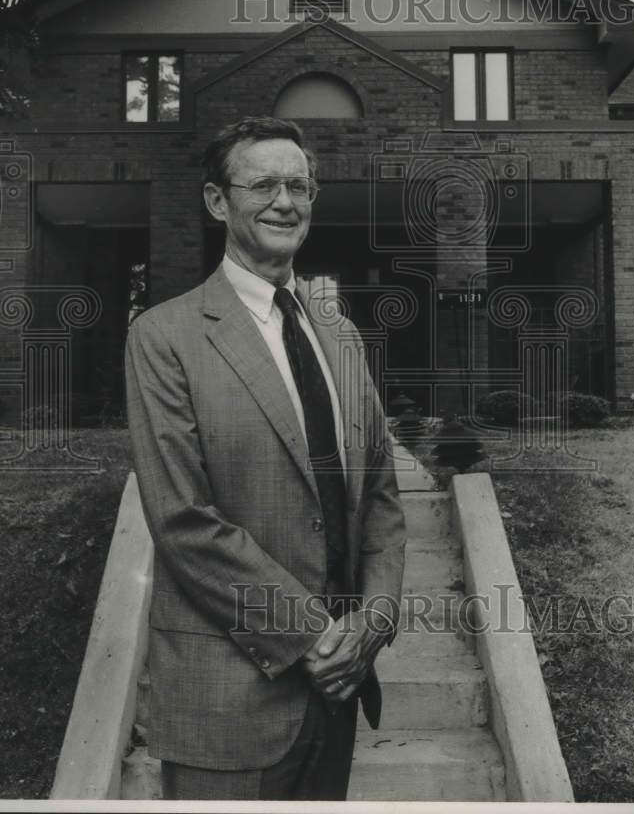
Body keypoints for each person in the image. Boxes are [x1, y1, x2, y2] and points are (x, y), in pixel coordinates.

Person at [124, 116, 406, 801]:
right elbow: (184, 521)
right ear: (219, 202)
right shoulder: (165, 336)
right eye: (264, 184)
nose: (286, 201)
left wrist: (369, 628)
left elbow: (382, 502)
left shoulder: (339, 335)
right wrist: (314, 640)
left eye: (299, 185)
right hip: (230, 708)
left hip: (337, 700)